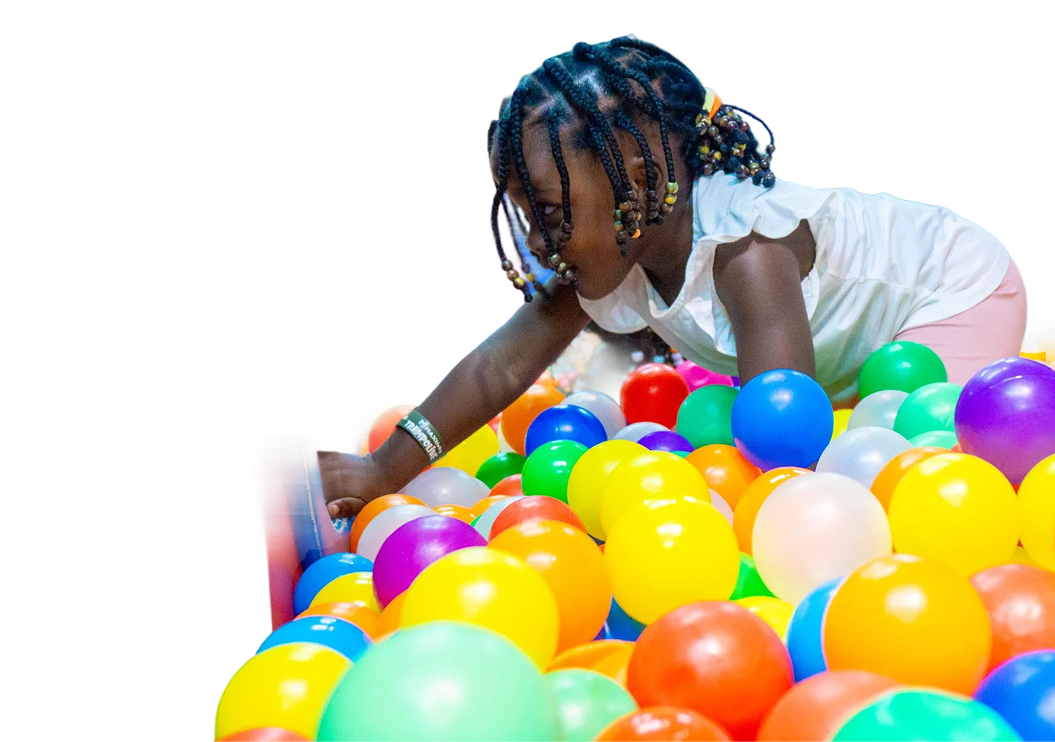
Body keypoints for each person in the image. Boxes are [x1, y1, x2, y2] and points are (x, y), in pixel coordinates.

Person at [319, 35, 1029, 519]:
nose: (536, 240)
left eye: (549, 211)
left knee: (920, 457)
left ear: (631, 185)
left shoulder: (746, 256)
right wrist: (383, 472)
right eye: (519, 217)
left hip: (951, 289)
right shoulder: (611, 253)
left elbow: (786, 443)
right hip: (860, 341)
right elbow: (497, 367)